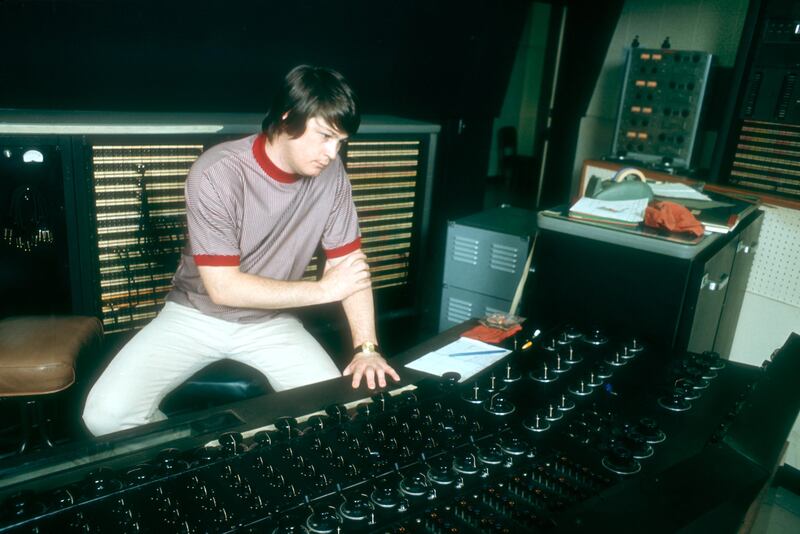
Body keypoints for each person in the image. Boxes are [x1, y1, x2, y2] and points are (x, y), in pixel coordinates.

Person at [82, 65, 400, 437]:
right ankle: (195, 458)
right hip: (195, 314)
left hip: (271, 321)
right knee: (105, 416)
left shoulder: (332, 176)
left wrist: (366, 348)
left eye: (340, 142)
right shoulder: (217, 171)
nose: (332, 153)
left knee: (338, 415)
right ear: (287, 118)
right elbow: (223, 289)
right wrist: (324, 290)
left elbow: (350, 265)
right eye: (325, 136)